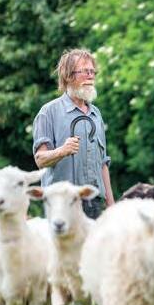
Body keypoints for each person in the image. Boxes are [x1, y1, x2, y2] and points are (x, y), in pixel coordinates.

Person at [32, 48, 114, 218]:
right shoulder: (48, 112)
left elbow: (103, 164)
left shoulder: (96, 114)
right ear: (68, 76)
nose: (90, 76)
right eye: (85, 71)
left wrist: (111, 205)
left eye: (92, 72)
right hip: (61, 204)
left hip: (94, 203)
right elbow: (40, 160)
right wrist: (62, 151)